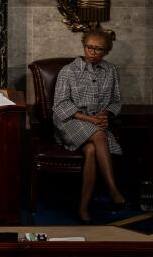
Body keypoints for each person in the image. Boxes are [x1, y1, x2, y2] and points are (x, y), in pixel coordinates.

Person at [53, 29, 126, 224]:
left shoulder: (111, 71)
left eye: (98, 49)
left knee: (92, 149)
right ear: (84, 45)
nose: (92, 52)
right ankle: (113, 190)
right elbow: (60, 106)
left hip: (97, 124)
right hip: (70, 122)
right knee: (100, 135)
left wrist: (106, 115)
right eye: (89, 47)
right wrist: (92, 120)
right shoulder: (68, 71)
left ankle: (83, 206)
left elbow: (116, 101)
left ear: (106, 51)